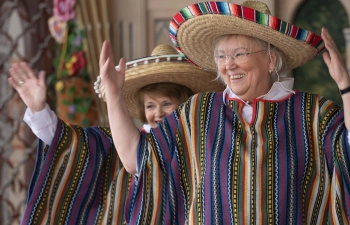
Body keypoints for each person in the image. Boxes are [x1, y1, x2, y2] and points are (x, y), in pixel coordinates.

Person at [98, 1, 350, 224]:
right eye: (222, 57)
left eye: (239, 54)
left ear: (271, 60)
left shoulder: (311, 114)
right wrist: (113, 95)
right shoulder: (198, 112)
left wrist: (344, 84)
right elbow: (138, 160)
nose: (229, 65)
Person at [8, 44, 224, 224]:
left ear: (184, 106)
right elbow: (68, 143)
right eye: (150, 105)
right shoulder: (115, 144)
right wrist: (38, 109)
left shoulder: (203, 144)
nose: (158, 113)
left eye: (166, 104)